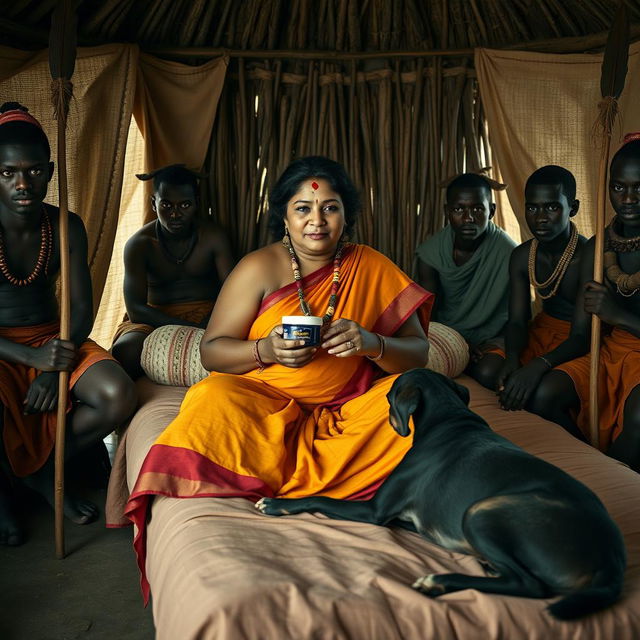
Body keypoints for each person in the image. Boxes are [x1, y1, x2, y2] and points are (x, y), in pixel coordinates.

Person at [124, 156, 434, 599]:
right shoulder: (258, 267)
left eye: (329, 207)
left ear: (347, 214)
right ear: (283, 216)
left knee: (423, 398)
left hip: (350, 407)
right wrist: (264, 350)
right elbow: (213, 351)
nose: (317, 221)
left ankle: (324, 478)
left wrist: (373, 344)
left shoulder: (372, 265)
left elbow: (419, 353)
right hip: (264, 405)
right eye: (302, 209)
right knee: (211, 397)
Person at [0, 102, 137, 546]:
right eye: (8, 173)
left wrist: (54, 365)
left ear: (51, 169)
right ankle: (5, 493)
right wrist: (31, 360)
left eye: (35, 171)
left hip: (52, 338)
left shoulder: (64, 225)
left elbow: (79, 310)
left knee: (117, 395)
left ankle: (44, 469)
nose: (24, 184)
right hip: (5, 347)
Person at [532, 135, 640, 470]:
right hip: (609, 352)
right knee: (545, 395)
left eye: (639, 187)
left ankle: (615, 486)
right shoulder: (598, 248)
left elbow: (613, 314)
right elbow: (581, 333)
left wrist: (616, 314)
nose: (628, 198)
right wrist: (542, 365)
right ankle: (593, 468)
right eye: (618, 187)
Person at [111, 164, 234, 379]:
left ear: (196, 202)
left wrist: (210, 323)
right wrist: (189, 328)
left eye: (185, 205)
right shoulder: (140, 245)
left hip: (207, 313)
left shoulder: (213, 237)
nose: (175, 214)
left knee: (237, 349)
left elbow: (234, 293)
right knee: (125, 352)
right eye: (166, 205)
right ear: (153, 203)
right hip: (152, 317)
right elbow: (136, 309)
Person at [482, 166, 587, 415]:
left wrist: (537, 366)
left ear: (572, 208)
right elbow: (518, 321)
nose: (540, 217)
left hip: (582, 342)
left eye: (552, 207)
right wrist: (513, 358)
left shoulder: (586, 256)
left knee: (543, 393)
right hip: (543, 332)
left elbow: (583, 336)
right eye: (532, 207)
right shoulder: (522, 255)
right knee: (487, 370)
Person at [416, 173, 516, 383]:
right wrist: (455, 344)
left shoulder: (510, 254)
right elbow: (428, 313)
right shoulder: (431, 254)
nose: (468, 218)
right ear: (447, 212)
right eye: (459, 209)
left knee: (487, 372)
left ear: (492, 211)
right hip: (447, 333)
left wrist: (497, 345)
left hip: (493, 336)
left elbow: (517, 315)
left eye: (477, 209)